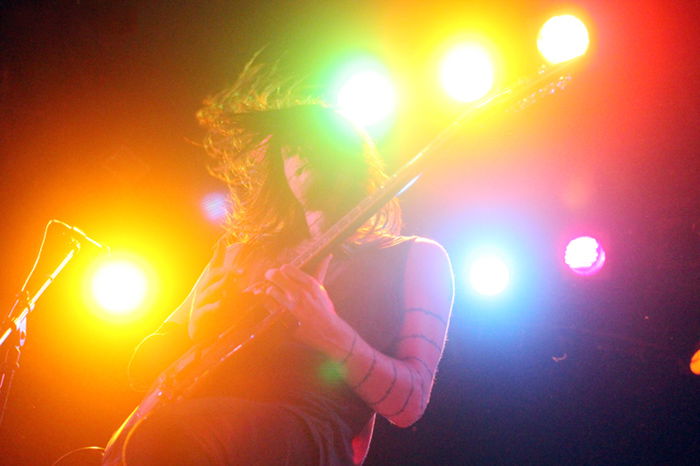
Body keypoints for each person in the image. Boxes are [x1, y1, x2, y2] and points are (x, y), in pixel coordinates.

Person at [119, 59, 454, 465]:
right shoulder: (240, 251)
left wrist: (329, 332)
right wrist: (190, 336)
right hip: (190, 429)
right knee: (164, 436)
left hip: (306, 434)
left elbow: (410, 403)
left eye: (315, 141)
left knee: (173, 435)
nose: (300, 154)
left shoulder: (415, 257)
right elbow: (142, 367)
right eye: (290, 148)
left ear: (352, 154)